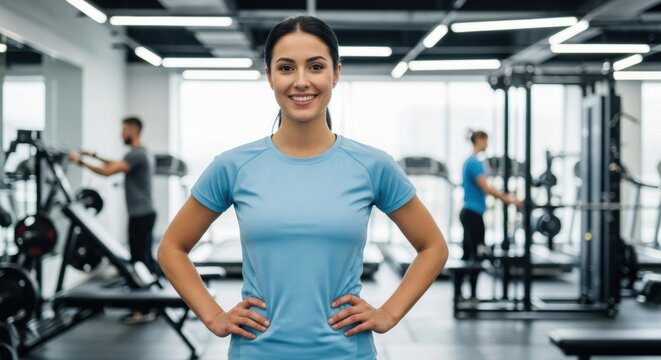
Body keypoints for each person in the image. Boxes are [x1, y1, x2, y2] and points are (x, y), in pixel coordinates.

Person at [157, 15, 449, 360]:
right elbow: (171, 248)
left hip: (346, 352)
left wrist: (388, 313)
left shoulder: (372, 166)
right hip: (257, 352)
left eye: (315, 66)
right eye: (285, 68)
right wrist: (213, 316)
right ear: (270, 76)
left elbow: (433, 247)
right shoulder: (234, 166)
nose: (301, 81)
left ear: (335, 73)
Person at [69, 116, 157, 324]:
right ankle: (151, 304)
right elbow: (117, 164)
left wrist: (80, 161)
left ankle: (142, 310)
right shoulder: (142, 153)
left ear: (133, 131)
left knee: (138, 262)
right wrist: (95, 155)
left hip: (140, 214)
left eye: (124, 129)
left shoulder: (136, 154)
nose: (121, 134)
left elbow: (109, 171)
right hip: (145, 213)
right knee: (144, 259)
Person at [460, 130, 522, 301]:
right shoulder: (474, 163)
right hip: (473, 214)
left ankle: (463, 295)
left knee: (468, 254)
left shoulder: (470, 162)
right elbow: (486, 188)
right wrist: (508, 199)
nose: (487, 144)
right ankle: (471, 295)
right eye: (486, 141)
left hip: (470, 212)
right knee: (476, 255)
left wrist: (506, 197)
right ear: (479, 140)